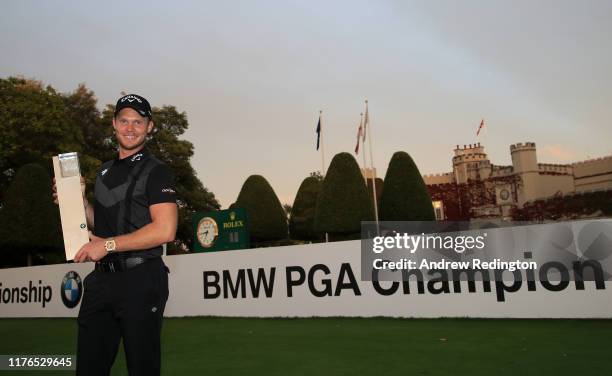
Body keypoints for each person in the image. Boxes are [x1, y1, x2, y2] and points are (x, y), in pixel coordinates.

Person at [54, 94, 178, 375]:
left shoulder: (157, 170)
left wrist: (108, 245)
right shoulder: (103, 172)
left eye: (138, 121)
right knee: (89, 368)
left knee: (142, 368)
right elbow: (105, 226)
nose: (131, 127)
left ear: (150, 127)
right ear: (114, 124)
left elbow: (165, 229)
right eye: (124, 120)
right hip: (102, 281)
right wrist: (78, 203)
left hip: (142, 278)